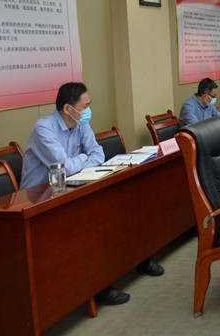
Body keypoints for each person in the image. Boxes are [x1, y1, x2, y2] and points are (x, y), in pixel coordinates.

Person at [20, 82, 163, 307]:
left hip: (73, 189)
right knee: (92, 223)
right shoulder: (43, 128)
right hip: (40, 200)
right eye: (85, 106)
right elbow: (64, 167)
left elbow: (98, 154)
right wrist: (82, 160)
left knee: (123, 206)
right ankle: (97, 287)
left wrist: (79, 161)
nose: (88, 110)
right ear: (68, 108)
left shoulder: (80, 123)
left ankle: (138, 258)